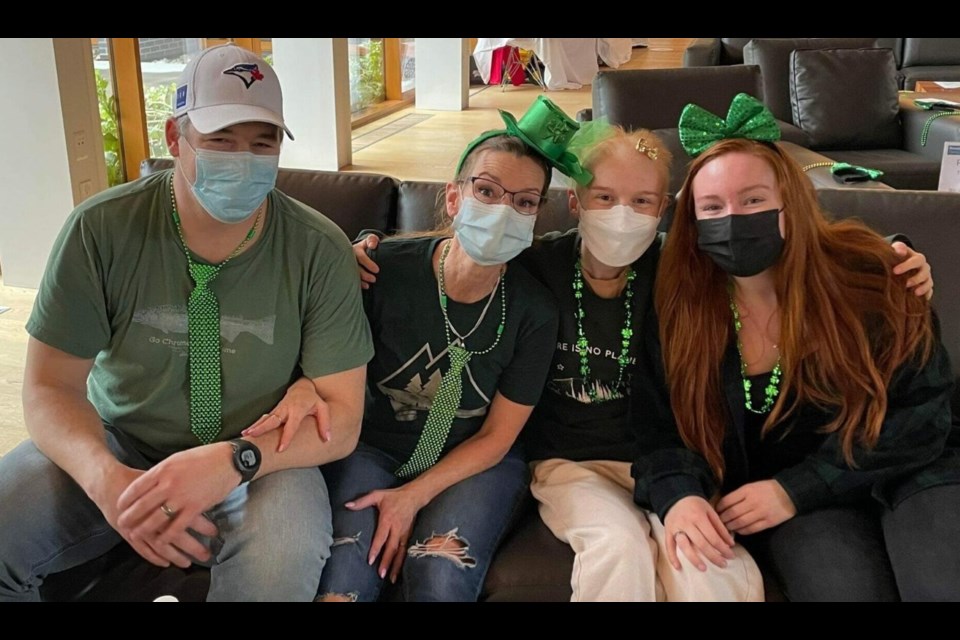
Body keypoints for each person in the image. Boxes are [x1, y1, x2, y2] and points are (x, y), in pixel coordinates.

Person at [349, 120, 934, 602]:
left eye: (642, 202)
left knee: (711, 570)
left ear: (666, 212)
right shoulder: (536, 265)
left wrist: (892, 252)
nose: (621, 215)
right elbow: (468, 249)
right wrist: (370, 243)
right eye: (603, 197)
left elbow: (793, 247)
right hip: (568, 464)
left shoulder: (682, 271)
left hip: (670, 463)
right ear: (574, 201)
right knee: (617, 549)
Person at [0, 43, 373, 602]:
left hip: (262, 455)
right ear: (175, 139)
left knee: (278, 568)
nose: (243, 159)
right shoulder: (99, 231)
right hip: (120, 439)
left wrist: (235, 460)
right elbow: (49, 386)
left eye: (261, 143)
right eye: (221, 141)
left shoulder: (318, 249)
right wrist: (106, 480)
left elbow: (342, 420)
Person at [633, 93, 960, 601]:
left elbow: (923, 413)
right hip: (805, 511)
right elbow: (658, 430)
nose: (733, 218)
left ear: (792, 203)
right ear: (692, 227)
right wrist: (677, 496)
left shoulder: (875, 278)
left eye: (754, 200)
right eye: (713, 207)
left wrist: (801, 487)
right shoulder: (679, 309)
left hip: (915, 475)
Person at [249, 95, 575, 602]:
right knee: (344, 581)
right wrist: (303, 384)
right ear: (452, 198)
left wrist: (411, 497)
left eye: (525, 202)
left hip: (474, 460)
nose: (503, 211)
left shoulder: (535, 310)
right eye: (486, 191)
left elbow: (497, 437)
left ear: (536, 217)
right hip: (370, 448)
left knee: (440, 574)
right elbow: (323, 354)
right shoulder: (382, 270)